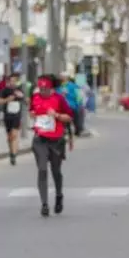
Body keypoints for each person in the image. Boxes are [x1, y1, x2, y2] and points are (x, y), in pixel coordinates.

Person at [30, 74, 74, 217]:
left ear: (51, 88)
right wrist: (32, 114)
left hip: (56, 140)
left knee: (56, 171)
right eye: (40, 88)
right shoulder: (35, 98)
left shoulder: (59, 99)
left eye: (45, 89)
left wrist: (57, 115)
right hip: (40, 139)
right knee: (42, 170)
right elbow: (32, 111)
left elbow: (69, 117)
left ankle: (59, 195)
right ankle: (44, 204)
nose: (42, 91)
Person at [0, 72, 25, 165]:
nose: (13, 82)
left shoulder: (20, 90)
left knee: (14, 135)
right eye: (11, 81)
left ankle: (13, 155)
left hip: (17, 116)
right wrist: (6, 100)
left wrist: (21, 96)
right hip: (7, 116)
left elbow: (26, 101)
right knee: (9, 137)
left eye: (14, 81)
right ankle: (11, 151)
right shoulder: (5, 90)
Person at [57, 72, 83, 137]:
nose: (61, 78)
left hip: (72, 106)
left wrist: (78, 105)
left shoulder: (74, 86)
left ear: (67, 78)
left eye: (63, 77)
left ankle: (77, 130)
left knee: (77, 117)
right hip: (61, 107)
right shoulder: (58, 87)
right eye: (61, 77)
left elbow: (79, 97)